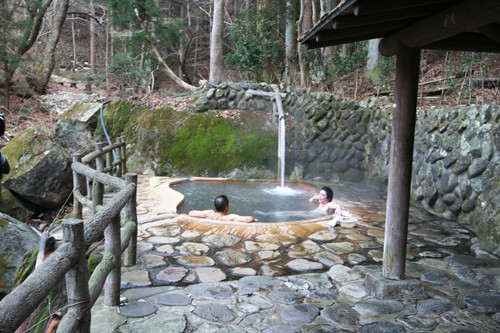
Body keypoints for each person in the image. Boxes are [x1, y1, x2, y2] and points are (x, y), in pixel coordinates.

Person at [188, 195, 256, 223]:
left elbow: (191, 213)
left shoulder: (209, 213)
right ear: (226, 207)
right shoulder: (230, 217)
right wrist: (254, 219)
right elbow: (249, 219)